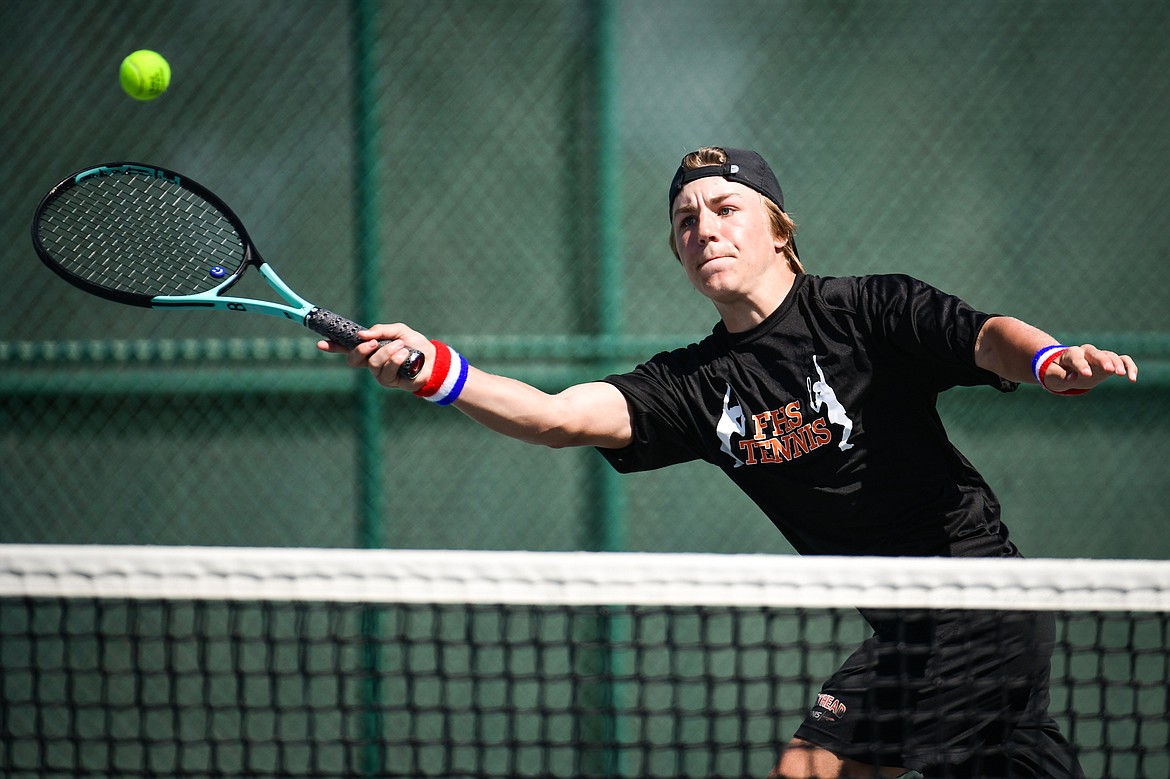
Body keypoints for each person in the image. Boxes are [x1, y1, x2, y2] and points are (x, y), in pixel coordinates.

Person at [319, 147, 1138, 778]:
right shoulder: (695, 385)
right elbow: (558, 416)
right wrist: (432, 367)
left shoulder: (866, 311)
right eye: (683, 219)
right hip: (908, 627)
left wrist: (1048, 358)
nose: (702, 226)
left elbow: (985, 335)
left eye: (724, 207)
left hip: (977, 602)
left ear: (778, 226)